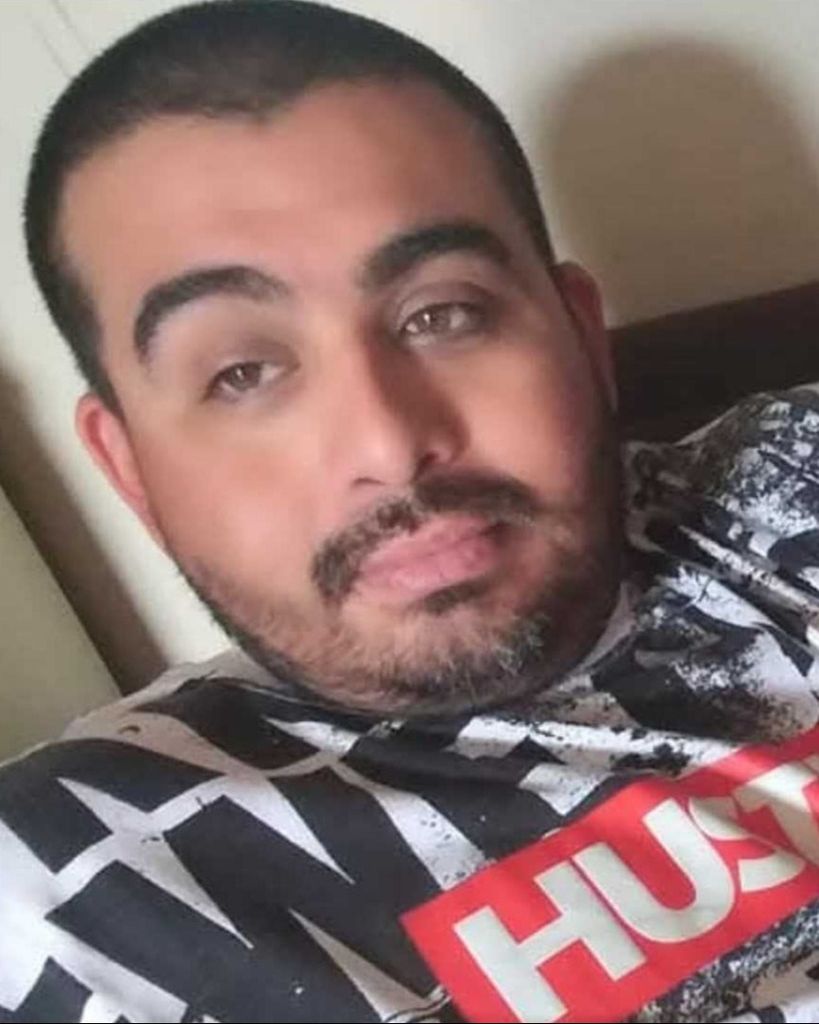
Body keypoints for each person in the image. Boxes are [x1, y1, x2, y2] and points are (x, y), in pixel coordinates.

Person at [3, 1, 819, 1021]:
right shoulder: (64, 894)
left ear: (580, 336)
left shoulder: (792, 474)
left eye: (443, 314)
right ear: (131, 471)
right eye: (242, 372)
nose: (388, 445)